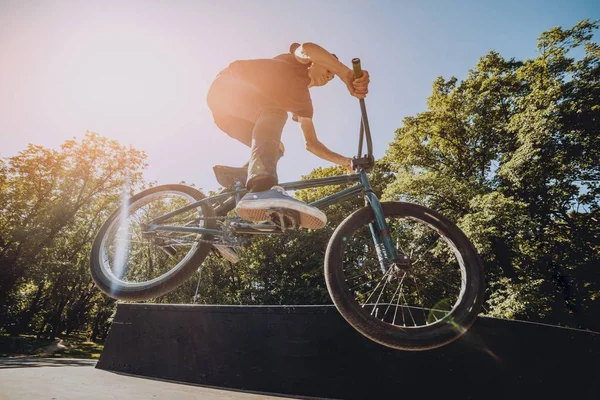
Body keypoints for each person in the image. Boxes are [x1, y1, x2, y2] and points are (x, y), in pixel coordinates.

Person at [206, 42, 370, 231]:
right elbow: (308, 48)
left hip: (232, 118)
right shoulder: (298, 62)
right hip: (228, 87)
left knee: (276, 148)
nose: (330, 76)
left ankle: (215, 214)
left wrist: (346, 162)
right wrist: (346, 73)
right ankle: (262, 187)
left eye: (332, 77)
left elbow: (312, 143)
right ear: (315, 62)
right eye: (329, 68)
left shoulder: (304, 103)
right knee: (275, 112)